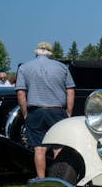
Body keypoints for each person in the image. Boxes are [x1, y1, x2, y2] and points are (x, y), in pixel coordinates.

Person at [16, 42, 75, 178]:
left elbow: (20, 93)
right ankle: (60, 179)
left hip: (36, 111)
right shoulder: (62, 67)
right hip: (57, 110)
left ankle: (41, 179)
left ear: (36, 52)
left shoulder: (24, 68)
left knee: (39, 148)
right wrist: (69, 112)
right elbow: (70, 91)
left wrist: (25, 113)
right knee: (58, 147)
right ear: (50, 53)